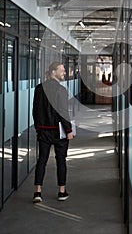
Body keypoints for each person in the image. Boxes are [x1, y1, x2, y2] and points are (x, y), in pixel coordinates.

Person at [32, 61, 74, 203]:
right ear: (53, 72)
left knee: (42, 160)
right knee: (61, 160)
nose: (64, 73)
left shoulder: (38, 89)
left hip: (43, 132)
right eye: (62, 70)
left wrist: (38, 128)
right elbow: (62, 111)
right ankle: (61, 192)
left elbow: (35, 111)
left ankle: (37, 192)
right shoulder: (61, 90)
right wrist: (69, 129)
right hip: (59, 132)